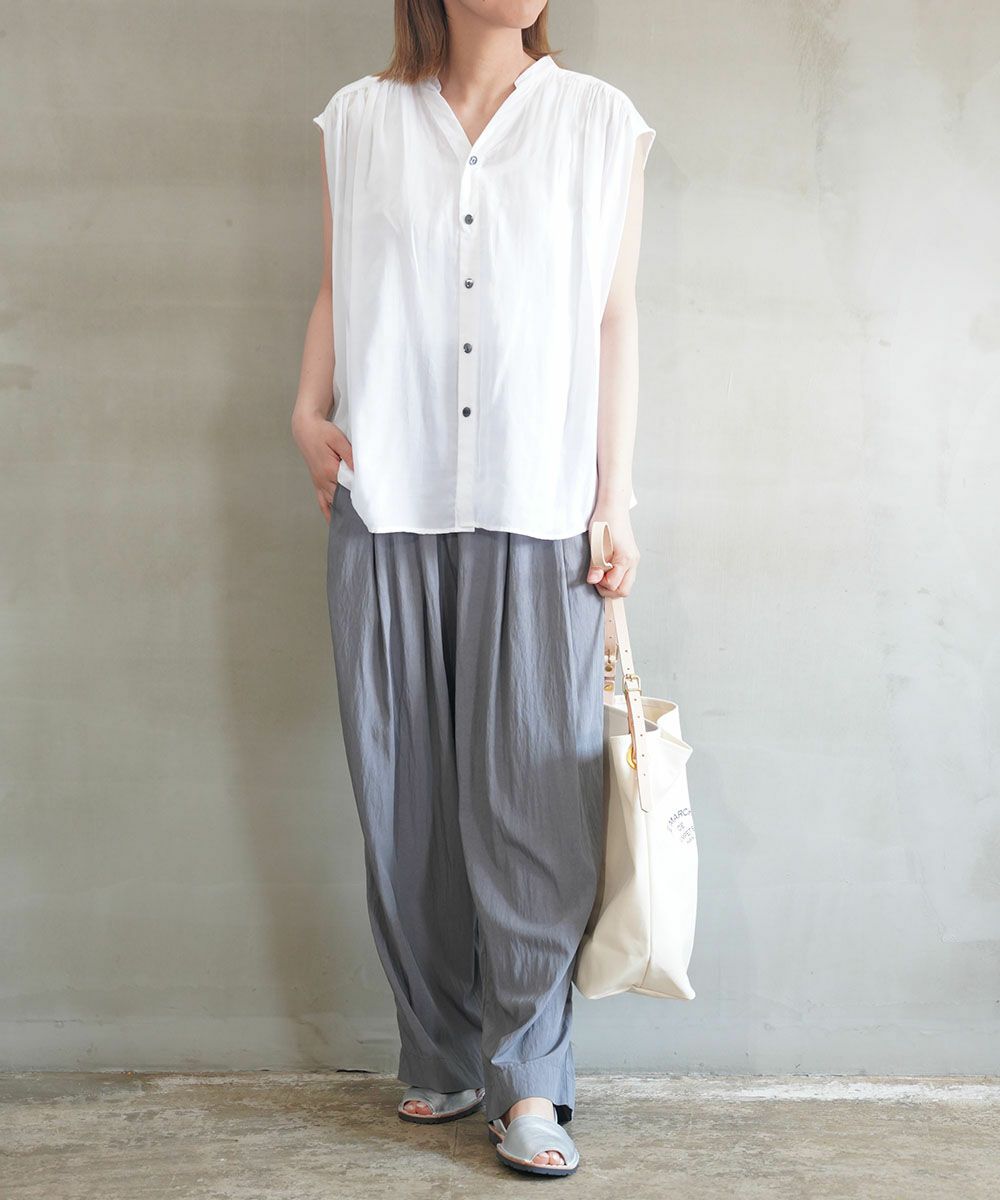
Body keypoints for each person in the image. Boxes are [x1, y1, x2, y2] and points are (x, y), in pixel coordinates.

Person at [292, 0, 654, 1179]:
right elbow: (340, 283)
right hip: (387, 494)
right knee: (401, 796)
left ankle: (530, 1081)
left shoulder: (599, 122)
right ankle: (439, 1051)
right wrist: (304, 407)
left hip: (539, 502)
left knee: (534, 805)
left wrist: (615, 496)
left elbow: (612, 316)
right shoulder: (357, 119)